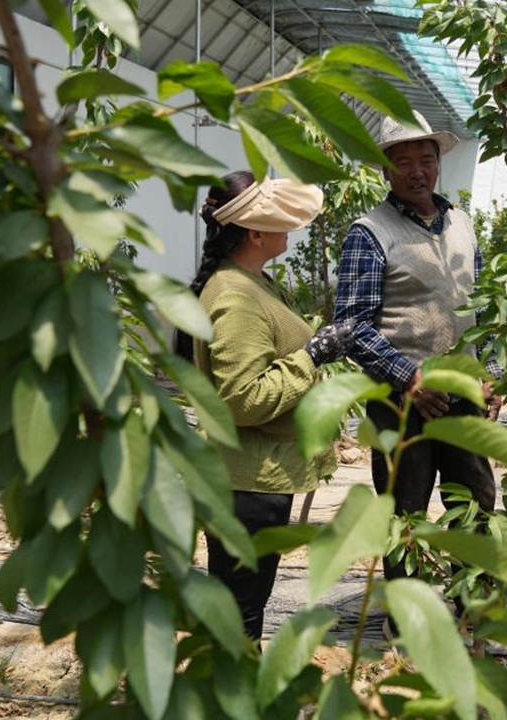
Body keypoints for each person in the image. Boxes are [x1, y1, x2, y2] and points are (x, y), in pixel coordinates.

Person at [333, 110, 501, 588]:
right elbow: (351, 326)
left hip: (462, 394)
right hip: (399, 402)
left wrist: (490, 370)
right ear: (385, 170)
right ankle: (409, 619)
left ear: (438, 163)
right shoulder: (369, 233)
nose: (417, 171)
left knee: (473, 500)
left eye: (426, 159)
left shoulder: (463, 225)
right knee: (405, 512)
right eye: (403, 162)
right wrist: (408, 377)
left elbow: (480, 310)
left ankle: (473, 610)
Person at [189, 170, 354, 641]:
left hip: (258, 478)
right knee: (237, 612)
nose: (291, 226)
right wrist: (313, 355)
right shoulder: (236, 295)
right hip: (247, 485)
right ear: (256, 232)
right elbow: (244, 398)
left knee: (243, 605)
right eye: (280, 219)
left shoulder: (250, 281)